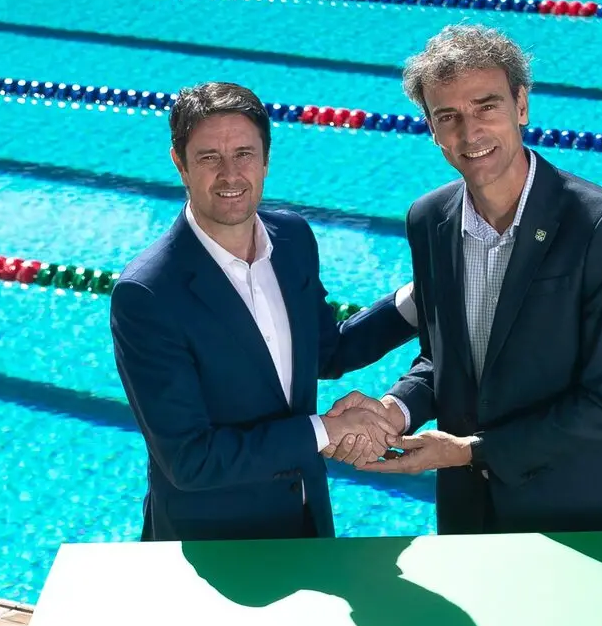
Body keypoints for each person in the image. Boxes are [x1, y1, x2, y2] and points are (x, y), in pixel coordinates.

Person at [333, 25, 602, 535]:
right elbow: (444, 359)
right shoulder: (430, 219)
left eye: (486, 107)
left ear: (521, 106)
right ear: (431, 129)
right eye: (448, 116)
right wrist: (393, 411)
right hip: (474, 512)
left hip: (590, 511)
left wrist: (471, 451)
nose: (470, 134)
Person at [111, 81, 415, 541]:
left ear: (266, 160)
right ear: (180, 163)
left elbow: (326, 351)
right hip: (215, 543)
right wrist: (325, 431)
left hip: (307, 519)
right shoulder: (149, 293)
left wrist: (420, 301)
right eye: (209, 157)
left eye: (244, 154)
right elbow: (190, 459)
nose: (230, 174)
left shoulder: (292, 239)